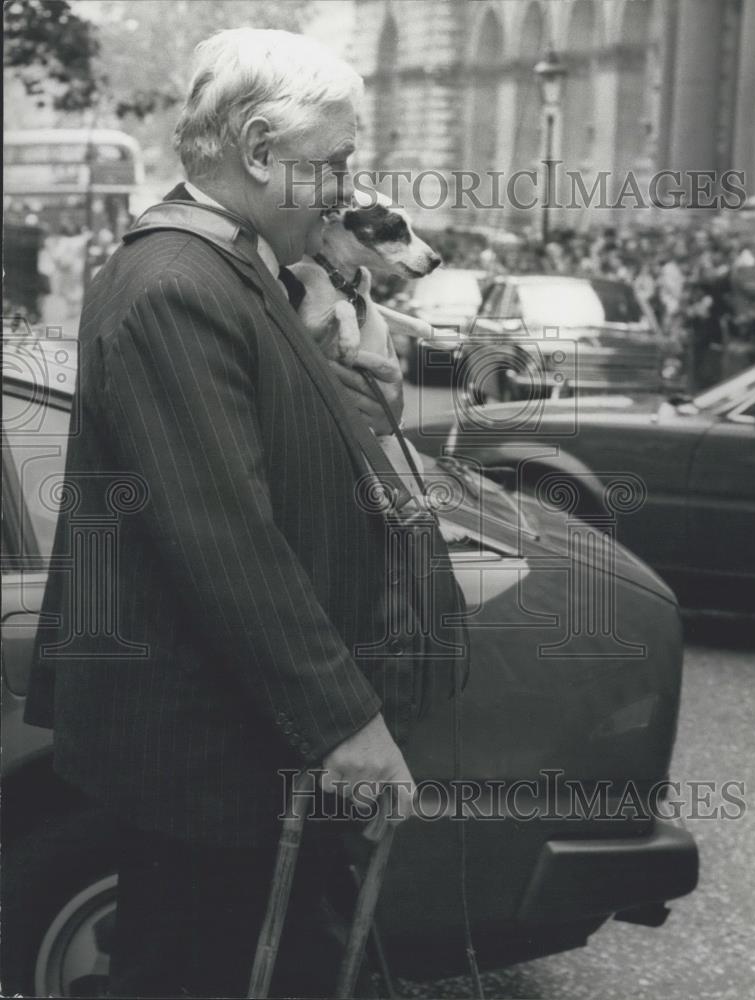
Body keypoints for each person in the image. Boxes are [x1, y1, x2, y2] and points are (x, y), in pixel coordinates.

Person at [24, 29, 434, 998]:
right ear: (257, 151)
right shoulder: (177, 282)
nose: (344, 189)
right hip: (211, 763)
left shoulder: (231, 268)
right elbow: (221, 532)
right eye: (332, 163)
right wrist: (344, 725)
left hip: (235, 753)